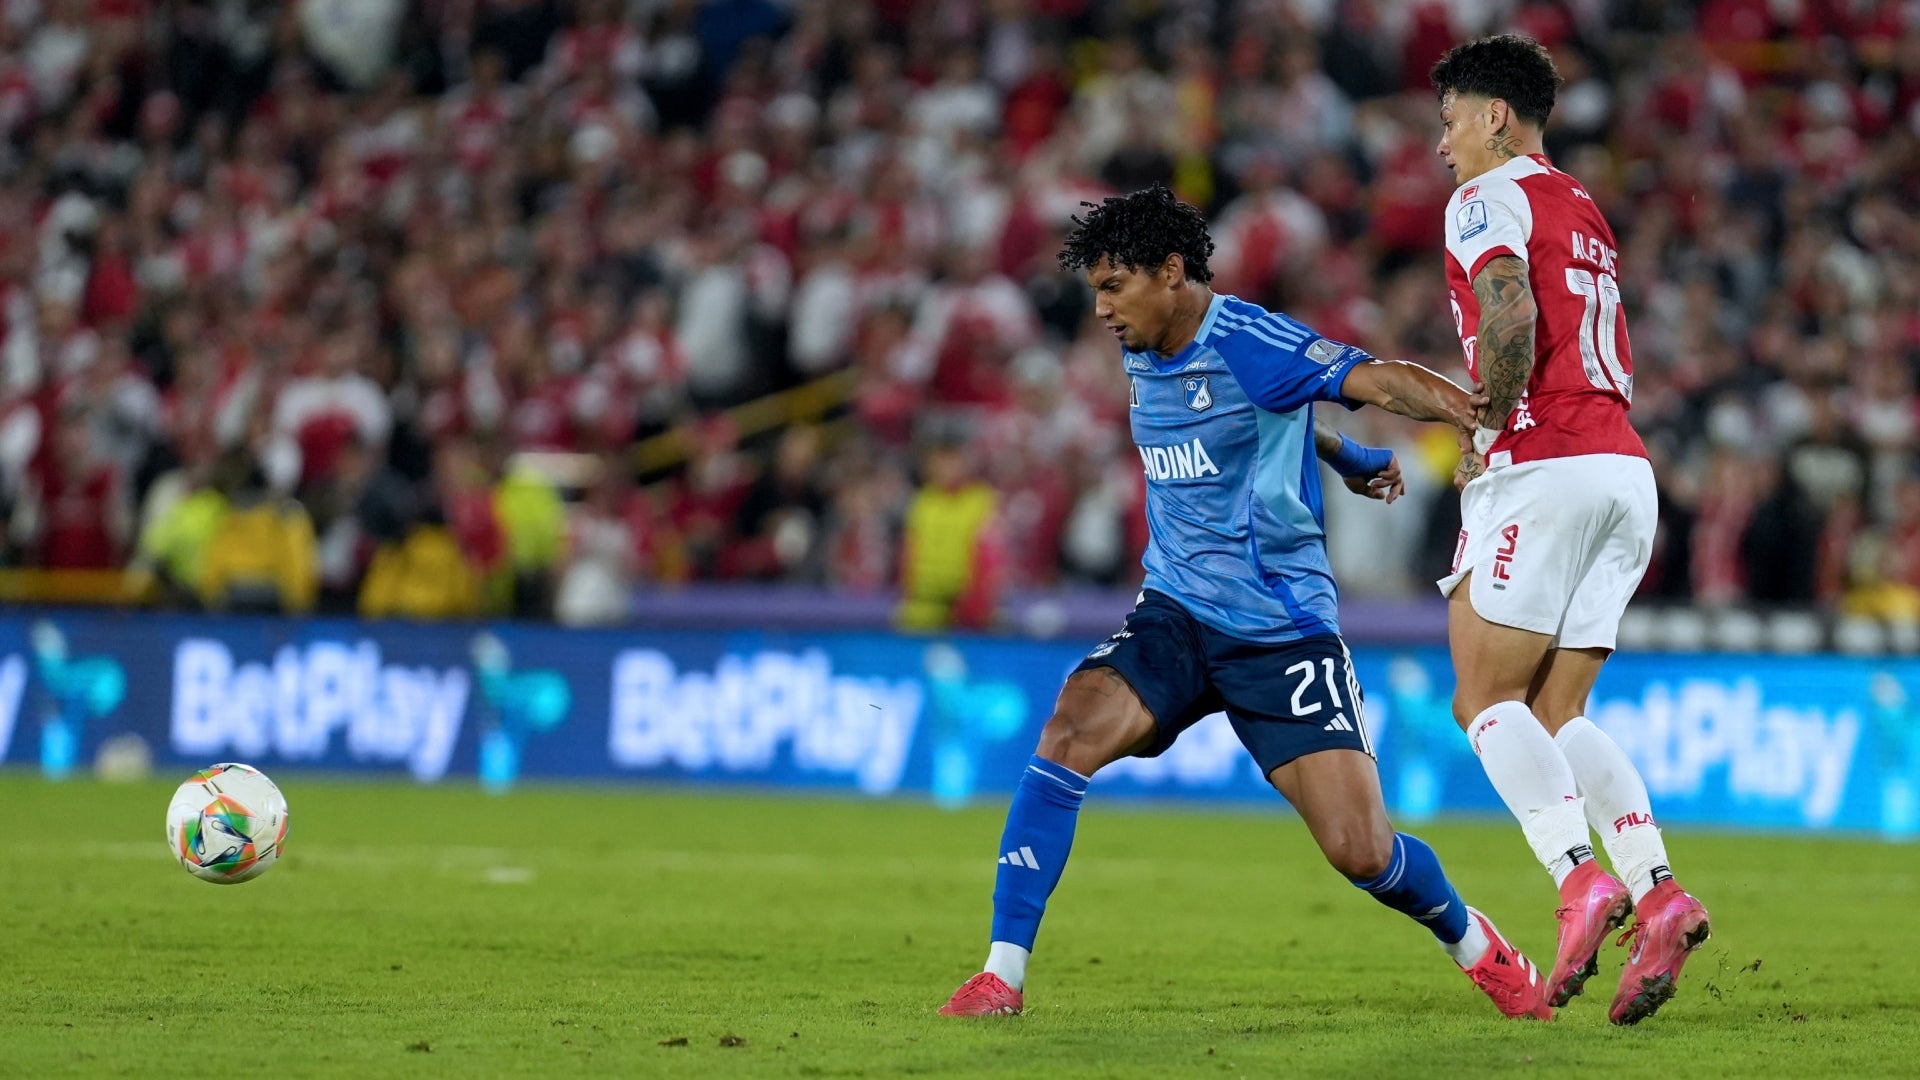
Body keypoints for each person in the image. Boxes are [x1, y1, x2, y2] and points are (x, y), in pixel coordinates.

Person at [939, 185, 1552, 1021]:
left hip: (1280, 631)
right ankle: (1000, 978)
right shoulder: (1143, 344)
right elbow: (1249, 419)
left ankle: (1475, 943)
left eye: (1114, 287)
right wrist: (1343, 457)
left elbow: (1372, 378)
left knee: (1362, 851)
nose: (1102, 309)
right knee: (1069, 729)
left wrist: (1473, 415)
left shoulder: (1251, 339)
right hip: (1176, 611)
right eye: (1096, 291)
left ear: (1171, 272)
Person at [1430, 35, 1711, 1027]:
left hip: (1544, 461)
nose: (1443, 146)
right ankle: (1658, 891)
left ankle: (1577, 878)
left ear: (1496, 118)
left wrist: (1486, 430)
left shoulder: (1484, 196)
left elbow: (1507, 310)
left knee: (1483, 699)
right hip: (1624, 472)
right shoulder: (1581, 203)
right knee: (1557, 714)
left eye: (1451, 122)